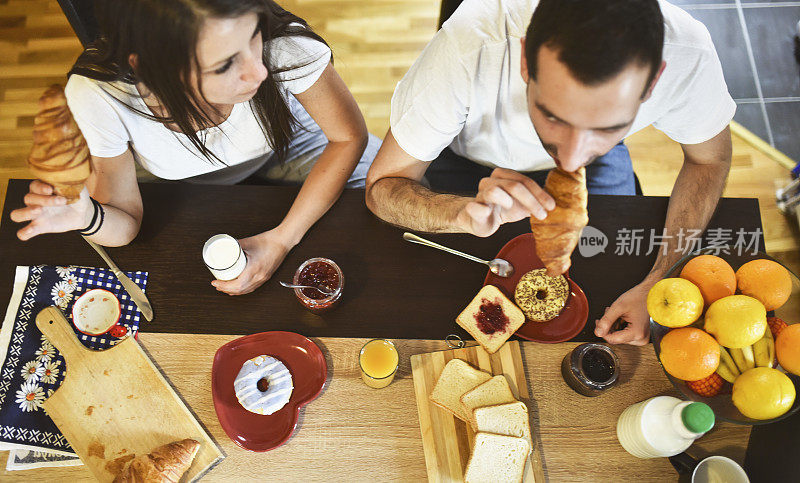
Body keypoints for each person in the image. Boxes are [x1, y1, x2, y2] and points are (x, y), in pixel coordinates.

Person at [365, 0, 734, 345]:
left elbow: (709, 160)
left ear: (652, 82)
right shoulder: (469, 46)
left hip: (603, 165)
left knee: (612, 272)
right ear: (526, 60)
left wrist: (660, 281)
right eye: (553, 116)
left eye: (606, 126)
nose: (572, 161)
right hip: (466, 160)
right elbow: (382, 188)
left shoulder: (690, 54)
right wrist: (459, 214)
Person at [11, 0, 379, 295]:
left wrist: (282, 240)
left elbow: (348, 138)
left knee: (384, 183)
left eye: (253, 36)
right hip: (169, 177)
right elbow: (125, 224)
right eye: (224, 65)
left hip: (287, 146)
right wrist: (86, 216)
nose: (259, 73)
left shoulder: (284, 45)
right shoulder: (99, 94)